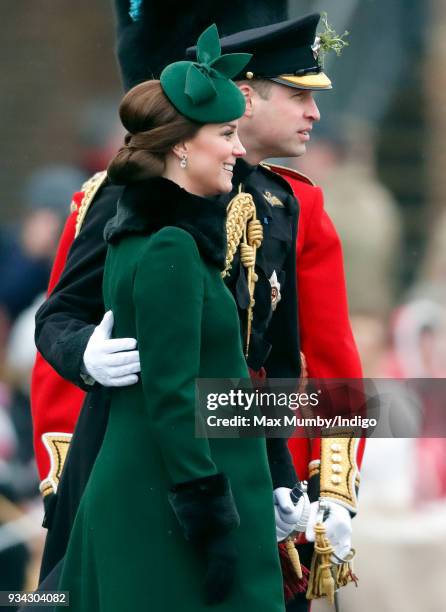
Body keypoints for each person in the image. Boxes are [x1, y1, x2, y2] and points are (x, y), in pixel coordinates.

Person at [34, 9, 364, 611]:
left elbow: (292, 362)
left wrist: (315, 484)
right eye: (297, 94)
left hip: (246, 466)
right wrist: (84, 355)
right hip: (142, 460)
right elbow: (60, 317)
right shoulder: (127, 193)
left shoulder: (288, 205)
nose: (315, 113)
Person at [56, 25, 286, 611]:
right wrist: (209, 518)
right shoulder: (170, 247)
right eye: (227, 134)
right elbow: (175, 396)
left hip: (178, 487)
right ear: (182, 145)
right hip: (173, 503)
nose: (239, 149)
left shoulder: (156, 233)